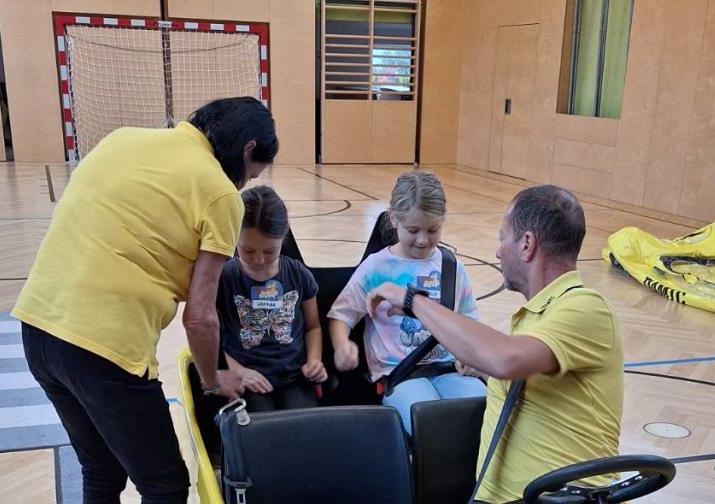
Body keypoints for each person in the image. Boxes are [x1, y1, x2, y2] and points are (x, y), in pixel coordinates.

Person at [12, 97, 277, 504]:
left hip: (38, 327)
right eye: (249, 176)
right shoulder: (220, 194)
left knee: (101, 468)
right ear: (247, 149)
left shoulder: (122, 139)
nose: (242, 185)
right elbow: (200, 318)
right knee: (165, 484)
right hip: (106, 349)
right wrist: (212, 381)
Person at [366, 185, 623, 503]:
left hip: (562, 496)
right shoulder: (539, 317)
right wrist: (485, 370)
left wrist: (412, 301)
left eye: (504, 238)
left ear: (527, 244)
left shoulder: (586, 307)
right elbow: (518, 373)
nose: (498, 251)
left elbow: (505, 358)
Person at [328, 171, 486, 433]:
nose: (423, 240)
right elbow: (341, 315)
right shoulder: (376, 267)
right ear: (393, 218)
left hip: (449, 369)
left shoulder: (451, 266)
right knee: (428, 422)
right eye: (413, 230)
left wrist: (471, 356)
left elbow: (469, 322)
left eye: (433, 230)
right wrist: (341, 344)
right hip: (398, 374)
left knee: (482, 410)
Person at [217, 186, 326, 412]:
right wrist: (237, 371)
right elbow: (212, 336)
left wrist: (314, 361)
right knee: (259, 430)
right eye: (247, 250)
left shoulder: (298, 274)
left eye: (269, 251)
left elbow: (313, 326)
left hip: (294, 376)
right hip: (247, 377)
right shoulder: (224, 278)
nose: (258, 260)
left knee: (305, 427)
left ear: (283, 238)